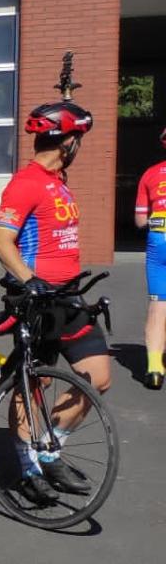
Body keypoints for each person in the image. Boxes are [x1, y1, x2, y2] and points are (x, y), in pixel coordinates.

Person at [0, 100, 111, 504]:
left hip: (68, 295)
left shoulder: (58, 181)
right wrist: (31, 281)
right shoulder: (25, 183)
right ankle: (25, 466)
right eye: (79, 140)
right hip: (36, 298)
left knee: (98, 376)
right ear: (69, 142)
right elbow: (1, 241)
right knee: (33, 384)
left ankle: (48, 447)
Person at [135, 128, 166, 390]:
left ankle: (155, 369)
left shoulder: (150, 174)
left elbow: (140, 220)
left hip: (158, 242)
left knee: (158, 307)